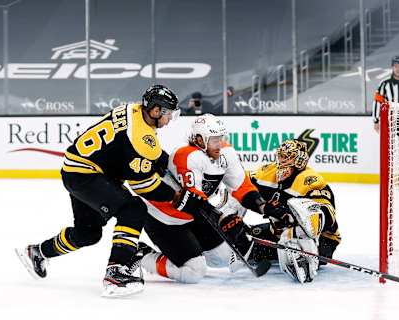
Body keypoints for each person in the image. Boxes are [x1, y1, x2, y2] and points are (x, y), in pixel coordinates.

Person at [15, 85, 182, 297]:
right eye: (169, 114)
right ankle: (116, 272)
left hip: (76, 171)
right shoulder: (142, 139)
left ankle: (37, 252)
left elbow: (135, 149)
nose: (169, 121)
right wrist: (174, 195)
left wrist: (161, 160)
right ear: (156, 111)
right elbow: (143, 186)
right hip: (87, 175)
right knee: (133, 209)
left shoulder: (131, 109)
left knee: (88, 233)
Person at [131, 114, 289, 283]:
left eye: (220, 138)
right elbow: (191, 202)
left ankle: (185, 251)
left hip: (193, 216)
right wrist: (222, 218)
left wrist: (264, 207)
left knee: (223, 257)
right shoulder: (186, 156)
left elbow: (242, 187)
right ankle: (142, 255)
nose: (219, 144)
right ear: (199, 140)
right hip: (164, 219)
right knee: (194, 272)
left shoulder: (225, 154)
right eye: (214, 140)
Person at [228, 139, 341, 283]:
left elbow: (327, 215)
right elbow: (240, 183)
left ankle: (305, 260)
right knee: (243, 230)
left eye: (287, 157)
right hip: (278, 231)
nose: (282, 161)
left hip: (320, 239)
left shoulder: (310, 180)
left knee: (291, 236)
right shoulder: (268, 172)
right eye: (281, 156)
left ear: (299, 159)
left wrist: (294, 221)